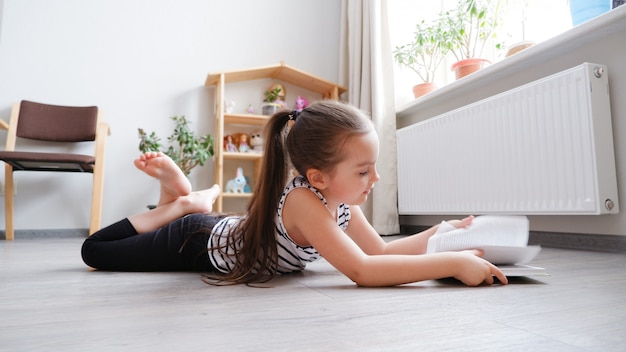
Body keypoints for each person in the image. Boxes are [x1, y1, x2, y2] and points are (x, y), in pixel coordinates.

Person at [82, 100, 508, 287]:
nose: (374, 179)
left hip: (223, 230)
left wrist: (440, 233)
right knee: (96, 252)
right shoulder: (305, 202)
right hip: (194, 241)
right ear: (318, 176)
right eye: (363, 170)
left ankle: (175, 200)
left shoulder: (339, 203)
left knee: (111, 249)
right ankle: (181, 204)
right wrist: (448, 263)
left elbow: (378, 253)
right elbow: (361, 272)